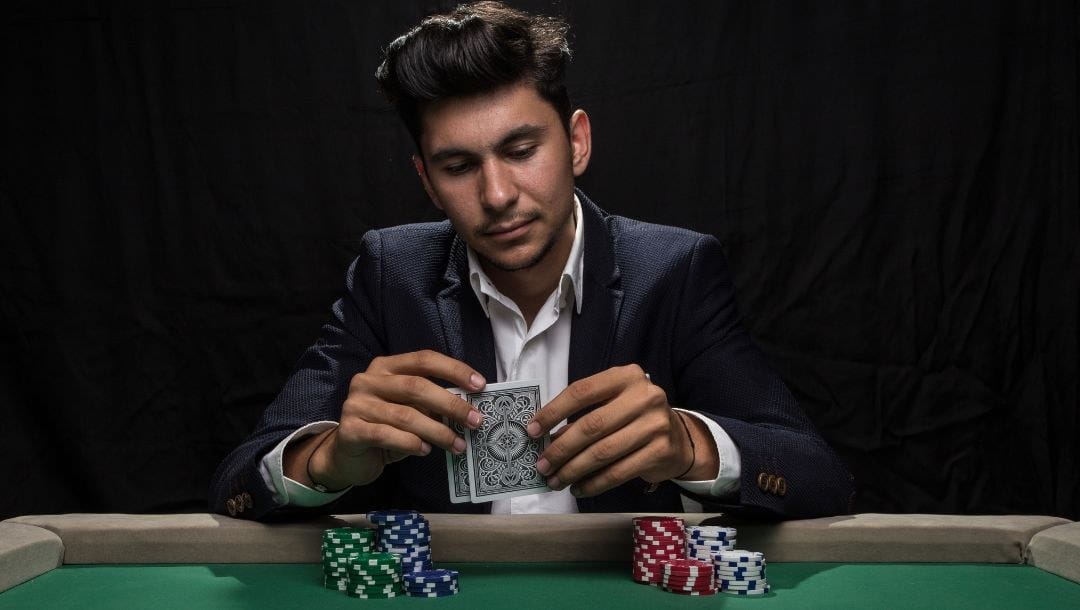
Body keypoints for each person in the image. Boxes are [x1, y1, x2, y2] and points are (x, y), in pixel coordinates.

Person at [209, 1, 854, 521]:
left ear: (576, 142)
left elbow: (819, 478)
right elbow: (239, 480)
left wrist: (689, 445)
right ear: (427, 182)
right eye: (458, 167)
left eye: (520, 150)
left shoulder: (675, 269)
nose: (496, 196)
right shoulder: (390, 272)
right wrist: (325, 462)